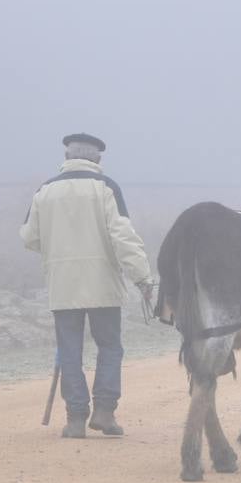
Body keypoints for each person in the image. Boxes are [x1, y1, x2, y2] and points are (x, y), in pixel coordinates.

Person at [20, 133, 154, 439]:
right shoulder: (106, 188)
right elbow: (123, 236)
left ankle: (75, 419)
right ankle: (105, 412)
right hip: (102, 284)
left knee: (69, 350)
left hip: (62, 285)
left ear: (67, 157)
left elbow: (29, 237)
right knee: (109, 346)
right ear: (97, 160)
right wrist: (143, 277)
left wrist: (56, 250)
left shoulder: (45, 190)